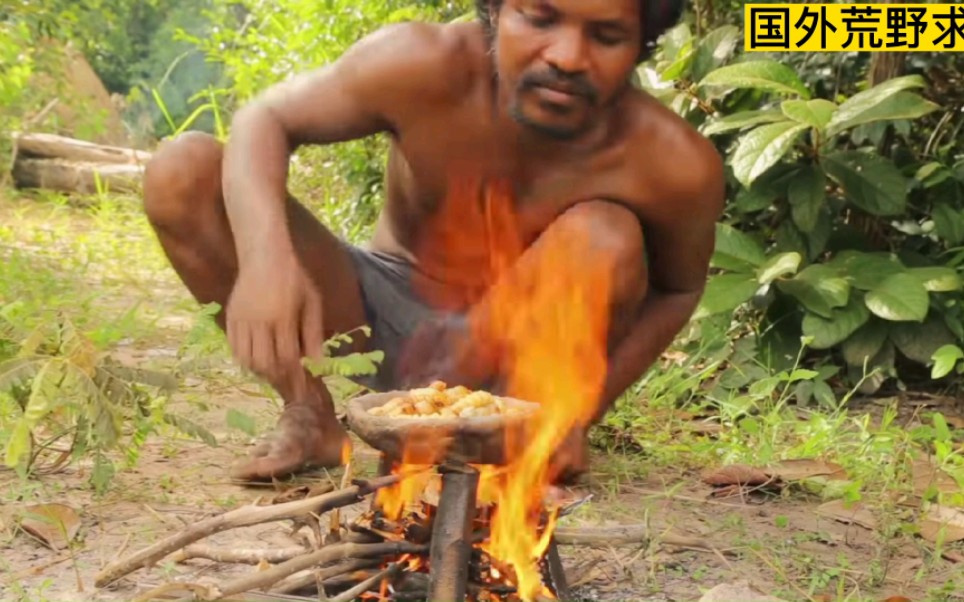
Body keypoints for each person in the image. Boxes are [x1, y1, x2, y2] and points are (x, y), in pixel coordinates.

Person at [142, 0, 725, 483]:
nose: (567, 56)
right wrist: (266, 259)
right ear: (495, 10)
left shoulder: (672, 161)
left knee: (604, 233)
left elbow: (678, 288)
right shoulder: (420, 63)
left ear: (642, 45)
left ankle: (515, 438)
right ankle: (310, 416)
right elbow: (264, 119)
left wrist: (577, 416)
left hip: (518, 358)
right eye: (541, 17)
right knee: (183, 172)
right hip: (374, 314)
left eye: (605, 35)